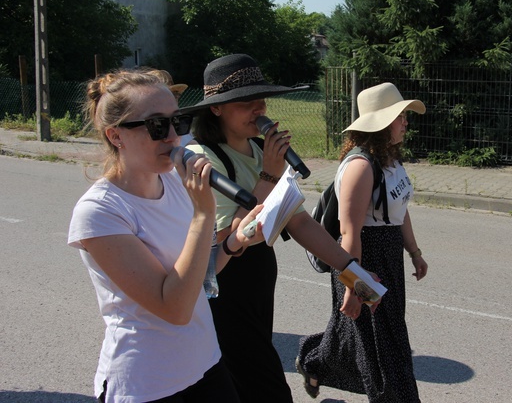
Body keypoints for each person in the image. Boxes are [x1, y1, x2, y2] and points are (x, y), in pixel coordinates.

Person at [179, 54, 370, 403]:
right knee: (265, 389)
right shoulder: (203, 158)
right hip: (224, 296)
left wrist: (352, 272)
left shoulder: (257, 148)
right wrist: (268, 174)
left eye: (262, 101)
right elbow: (226, 239)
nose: (259, 110)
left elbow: (296, 221)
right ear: (217, 109)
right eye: (246, 103)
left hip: (256, 293)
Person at [67, 69, 265, 402]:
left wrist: (233, 242)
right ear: (116, 136)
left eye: (179, 122)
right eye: (158, 126)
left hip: (205, 363)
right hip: (148, 383)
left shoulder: (174, 181)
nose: (174, 137)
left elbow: (199, 276)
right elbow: (174, 308)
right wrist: (204, 215)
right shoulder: (100, 213)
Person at [296, 82, 429, 402]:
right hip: (362, 262)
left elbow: (400, 212)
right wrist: (354, 285)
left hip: (389, 260)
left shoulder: (391, 161)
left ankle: (314, 363)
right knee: (381, 347)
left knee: (375, 333)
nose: (405, 122)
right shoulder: (360, 167)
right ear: (383, 122)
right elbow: (351, 232)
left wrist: (415, 252)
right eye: (401, 116)